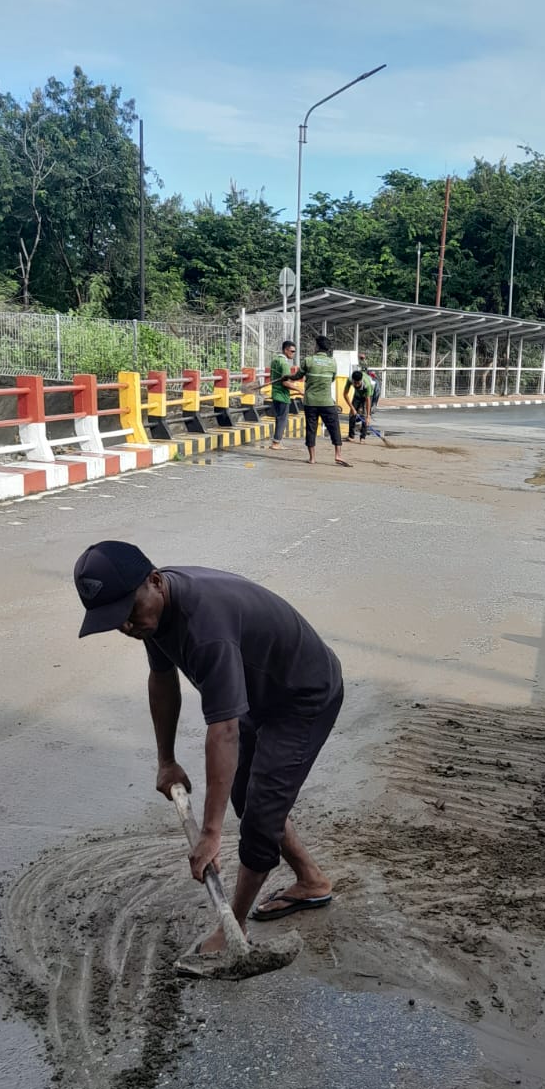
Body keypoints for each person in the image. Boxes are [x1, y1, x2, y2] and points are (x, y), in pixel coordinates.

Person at [73, 541, 343, 977]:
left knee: (260, 812)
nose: (126, 624)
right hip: (260, 692)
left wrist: (212, 834)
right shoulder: (153, 614)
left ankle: (232, 929)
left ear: (155, 581)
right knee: (244, 794)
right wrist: (166, 760)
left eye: (128, 610)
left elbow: (225, 731)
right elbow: (162, 679)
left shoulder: (204, 626)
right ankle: (311, 881)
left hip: (303, 695)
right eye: (115, 620)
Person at [298, 334, 350, 467]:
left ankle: (312, 458)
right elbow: (332, 379)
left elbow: (298, 375)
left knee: (311, 429)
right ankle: (338, 455)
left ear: (316, 347)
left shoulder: (308, 360)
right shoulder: (332, 362)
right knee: (334, 428)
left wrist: (287, 377)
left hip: (310, 401)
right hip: (327, 401)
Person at [269, 340, 299, 450]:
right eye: (292, 351)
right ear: (285, 350)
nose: (293, 353)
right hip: (282, 395)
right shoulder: (284, 364)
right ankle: (276, 443)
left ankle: (276, 441)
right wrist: (299, 389)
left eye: (294, 351)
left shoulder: (275, 361)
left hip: (275, 393)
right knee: (282, 419)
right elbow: (285, 383)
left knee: (278, 418)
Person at [345, 366, 374, 441]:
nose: (356, 385)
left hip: (367, 395)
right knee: (352, 414)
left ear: (361, 380)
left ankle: (362, 437)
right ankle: (351, 436)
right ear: (353, 380)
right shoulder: (350, 380)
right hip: (357, 395)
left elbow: (368, 400)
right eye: (355, 383)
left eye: (358, 383)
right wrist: (352, 408)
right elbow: (345, 394)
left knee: (364, 417)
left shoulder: (367, 385)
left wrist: (368, 415)